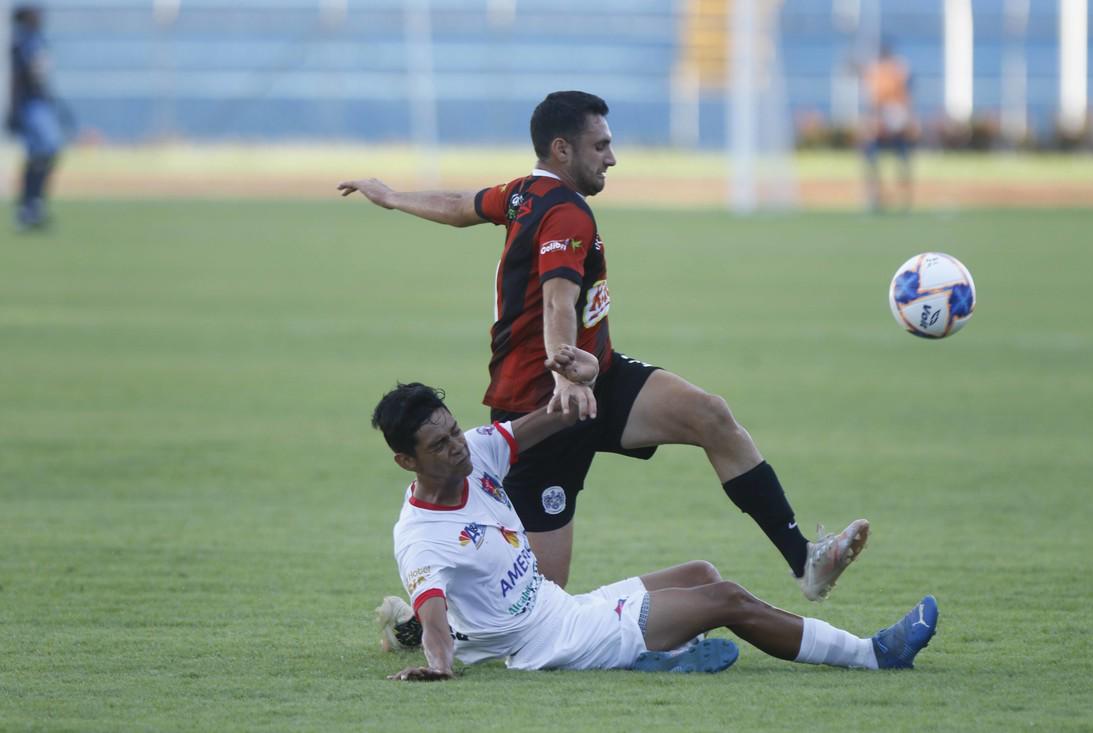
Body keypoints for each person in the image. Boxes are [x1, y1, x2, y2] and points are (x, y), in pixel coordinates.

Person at [340, 90, 867, 607]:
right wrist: (564, 373)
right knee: (540, 597)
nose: (611, 158)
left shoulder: (524, 194)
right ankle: (419, 623)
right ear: (561, 149)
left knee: (710, 415)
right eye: (600, 146)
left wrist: (392, 197)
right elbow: (557, 301)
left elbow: (460, 205)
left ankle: (805, 561)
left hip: (599, 378)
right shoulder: (564, 212)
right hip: (540, 406)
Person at [372, 348, 937, 680]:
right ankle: (872, 655)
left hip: (561, 609)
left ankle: (659, 653)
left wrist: (586, 384)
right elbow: (437, 626)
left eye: (454, 430)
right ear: (406, 461)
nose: (458, 447)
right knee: (727, 599)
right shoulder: (421, 538)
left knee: (700, 573)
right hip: (553, 641)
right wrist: (438, 666)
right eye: (440, 445)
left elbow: (548, 420)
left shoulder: (478, 452)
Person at [6, 4, 66, 230]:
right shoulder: (22, 42)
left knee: (41, 154)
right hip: (30, 106)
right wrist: (14, 110)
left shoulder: (38, 39)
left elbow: (42, 77)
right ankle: (29, 203)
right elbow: (17, 79)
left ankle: (32, 204)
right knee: (46, 149)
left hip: (41, 104)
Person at [861, 43, 917, 211]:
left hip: (895, 128)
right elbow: (875, 104)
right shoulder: (879, 73)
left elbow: (903, 102)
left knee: (902, 161)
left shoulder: (895, 73)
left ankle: (902, 197)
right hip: (882, 128)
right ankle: (876, 196)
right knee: (873, 158)